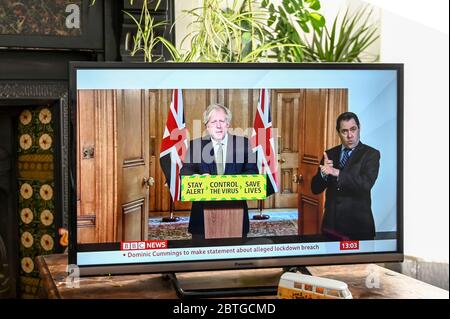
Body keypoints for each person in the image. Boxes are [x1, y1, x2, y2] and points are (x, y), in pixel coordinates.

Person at [180, 103, 258, 239]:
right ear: (207, 125)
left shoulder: (243, 144)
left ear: (227, 124)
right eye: (213, 121)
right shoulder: (196, 145)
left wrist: (230, 183)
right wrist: (198, 178)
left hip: (236, 215)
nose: (218, 125)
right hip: (202, 217)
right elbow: (185, 172)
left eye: (222, 121)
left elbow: (252, 172)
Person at [311, 112, 380, 240]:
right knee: (330, 260)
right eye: (344, 131)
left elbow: (365, 184)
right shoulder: (329, 154)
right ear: (338, 132)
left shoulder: (371, 154)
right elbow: (315, 189)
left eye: (353, 129)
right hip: (331, 226)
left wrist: (337, 173)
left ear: (359, 128)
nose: (350, 135)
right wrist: (323, 173)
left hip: (359, 226)